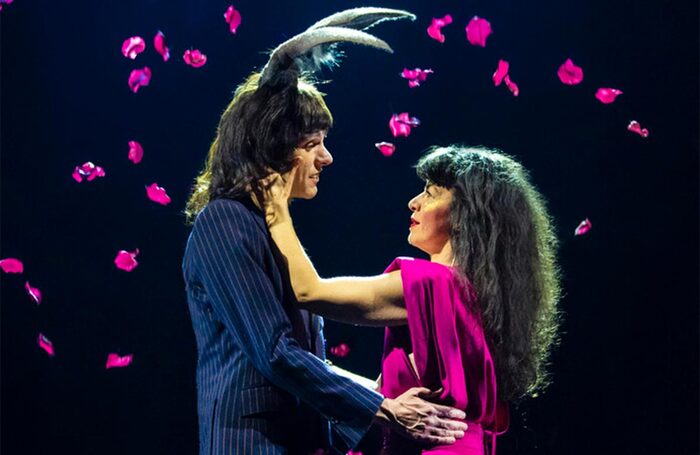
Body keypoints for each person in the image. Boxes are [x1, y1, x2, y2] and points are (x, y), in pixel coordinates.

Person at [182, 9, 469, 455]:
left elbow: (307, 361)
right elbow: (275, 352)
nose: (326, 158)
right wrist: (386, 408)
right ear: (273, 146)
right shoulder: (225, 221)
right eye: (312, 144)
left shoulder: (266, 228)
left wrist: (387, 401)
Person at [263, 145, 562, 454]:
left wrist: (275, 205)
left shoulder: (431, 283)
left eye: (431, 194)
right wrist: (318, 370)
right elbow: (384, 395)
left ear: (464, 214)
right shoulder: (475, 296)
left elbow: (308, 291)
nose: (414, 203)